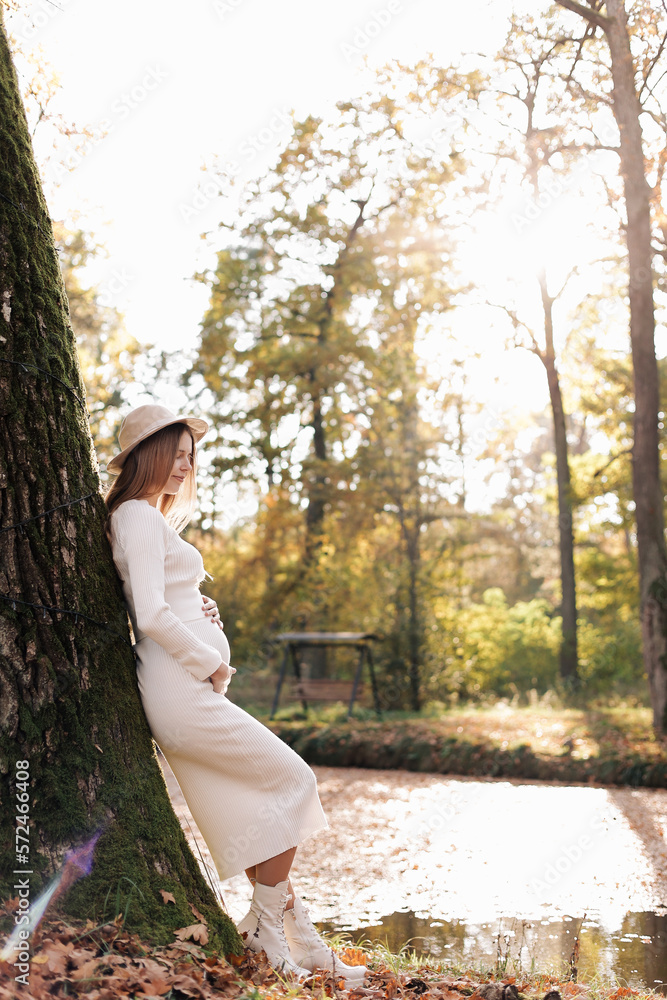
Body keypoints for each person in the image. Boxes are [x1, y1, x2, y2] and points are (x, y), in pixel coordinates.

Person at [104, 403, 367, 985]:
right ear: (146, 455)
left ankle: (301, 939)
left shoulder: (140, 517)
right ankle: (266, 931)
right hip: (183, 687)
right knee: (295, 781)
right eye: (174, 453)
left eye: (190, 456)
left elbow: (162, 597)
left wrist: (200, 608)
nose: (184, 465)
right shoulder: (138, 517)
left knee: (258, 816)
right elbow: (147, 612)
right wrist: (211, 663)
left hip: (182, 685)